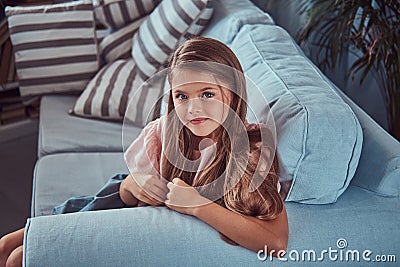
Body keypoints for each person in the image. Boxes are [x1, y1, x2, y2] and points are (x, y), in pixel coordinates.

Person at [0, 37, 288, 267]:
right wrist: (132, 185)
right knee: (6, 247)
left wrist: (198, 205)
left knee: (17, 259)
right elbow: (125, 199)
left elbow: (275, 243)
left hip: (153, 228)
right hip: (127, 202)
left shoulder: (252, 147)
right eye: (182, 96)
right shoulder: (165, 132)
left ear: (233, 93)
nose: (193, 108)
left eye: (207, 94)